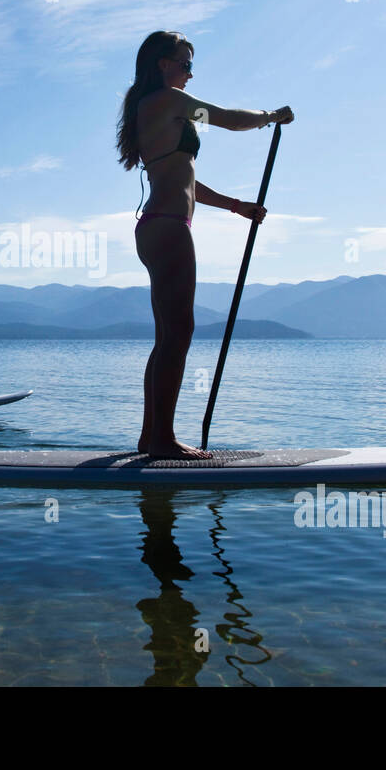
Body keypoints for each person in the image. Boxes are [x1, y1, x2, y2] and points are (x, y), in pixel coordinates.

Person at [116, 31, 293, 458]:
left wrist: (236, 206)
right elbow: (230, 118)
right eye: (186, 64)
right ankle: (162, 439)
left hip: (159, 225)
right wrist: (271, 115)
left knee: (167, 336)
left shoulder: (156, 107)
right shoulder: (168, 101)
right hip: (169, 227)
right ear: (163, 64)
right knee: (180, 332)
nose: (191, 73)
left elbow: (186, 178)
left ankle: (150, 436)